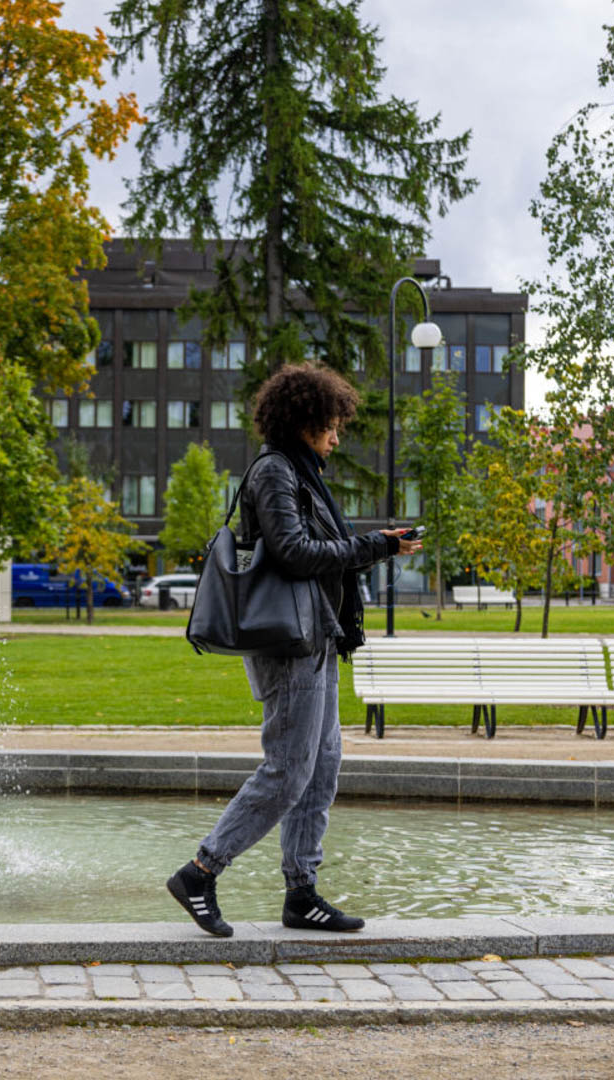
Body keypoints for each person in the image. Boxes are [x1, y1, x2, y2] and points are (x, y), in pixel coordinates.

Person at [167, 363, 423, 937]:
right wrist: (373, 547)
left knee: (322, 765)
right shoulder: (274, 472)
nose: (336, 437)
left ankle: (301, 893)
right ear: (304, 421)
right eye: (331, 426)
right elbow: (293, 552)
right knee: (288, 770)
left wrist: (374, 545)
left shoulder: (302, 473)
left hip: (318, 637)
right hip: (289, 642)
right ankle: (200, 872)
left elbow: (320, 547)